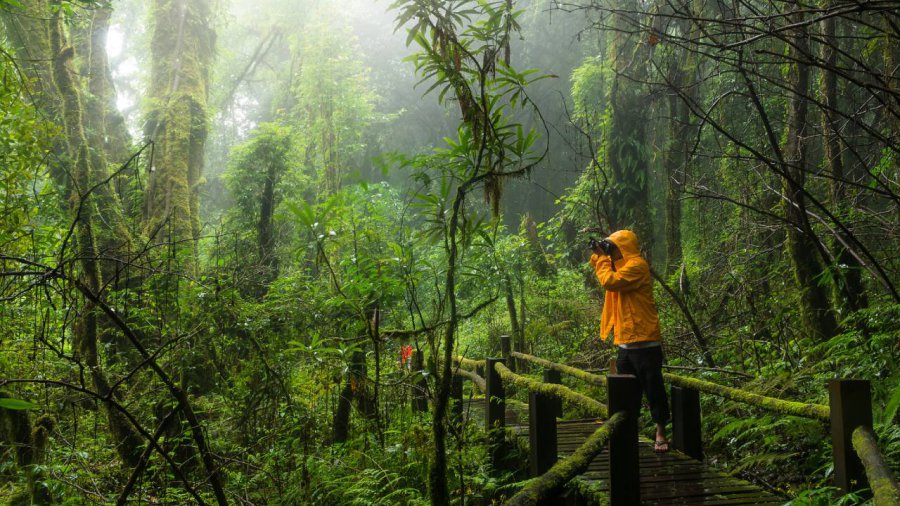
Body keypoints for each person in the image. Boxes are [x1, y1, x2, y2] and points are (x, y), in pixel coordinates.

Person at [589, 229, 670, 453]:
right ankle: (627, 434)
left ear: (624, 248)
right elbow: (600, 267)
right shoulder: (620, 265)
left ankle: (660, 433)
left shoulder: (637, 266)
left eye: (614, 247)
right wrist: (601, 253)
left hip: (645, 342)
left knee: (654, 390)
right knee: (625, 394)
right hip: (625, 342)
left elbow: (609, 281)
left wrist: (603, 257)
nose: (611, 251)